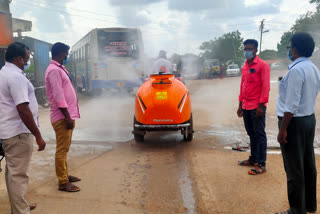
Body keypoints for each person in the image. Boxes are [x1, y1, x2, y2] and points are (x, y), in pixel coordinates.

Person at [275, 33, 320, 214]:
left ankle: (296, 209)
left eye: (290, 47)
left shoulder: (296, 70)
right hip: (309, 119)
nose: (289, 50)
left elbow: (291, 105)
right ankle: (310, 205)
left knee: (294, 168)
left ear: (294, 49)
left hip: (294, 123)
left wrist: (283, 129)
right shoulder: (313, 68)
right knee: (308, 164)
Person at [0, 42, 46, 214]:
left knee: (13, 174)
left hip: (9, 132)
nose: (27, 61)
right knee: (18, 176)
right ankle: (21, 211)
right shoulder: (16, 77)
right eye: (26, 58)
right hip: (18, 133)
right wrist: (38, 135)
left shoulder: (4, 73)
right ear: (19, 58)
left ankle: (18, 206)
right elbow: (23, 109)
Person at [45, 42, 81, 192]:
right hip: (61, 117)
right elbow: (59, 96)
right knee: (61, 150)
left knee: (65, 148)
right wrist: (67, 117)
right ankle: (62, 182)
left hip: (66, 115)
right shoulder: (54, 70)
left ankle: (65, 174)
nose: (67, 56)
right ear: (60, 53)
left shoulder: (60, 68)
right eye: (66, 53)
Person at [237, 39, 270, 175]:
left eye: (250, 49)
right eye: (245, 49)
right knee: (251, 133)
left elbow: (265, 87)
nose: (247, 52)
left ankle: (261, 164)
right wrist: (240, 105)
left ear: (256, 50)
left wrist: (261, 106)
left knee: (259, 134)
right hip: (246, 106)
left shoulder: (262, 66)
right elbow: (242, 86)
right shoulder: (244, 66)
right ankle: (253, 159)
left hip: (257, 106)